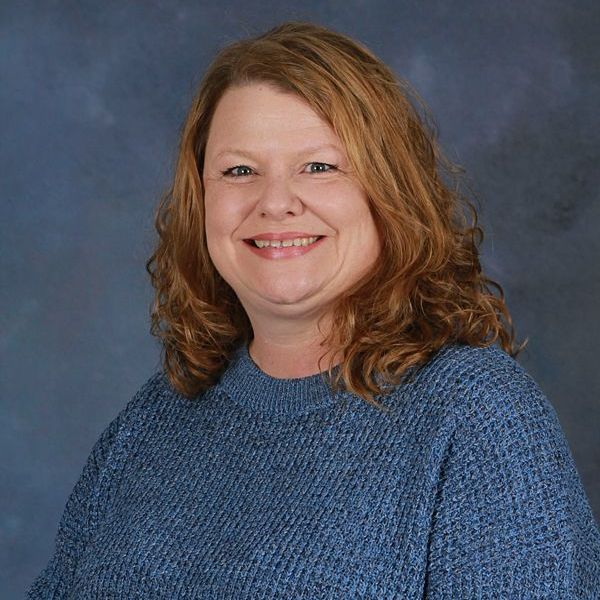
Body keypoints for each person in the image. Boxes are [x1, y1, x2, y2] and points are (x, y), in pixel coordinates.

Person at [28, 21, 600, 599]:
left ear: (389, 193)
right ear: (200, 200)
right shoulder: (149, 425)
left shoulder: (478, 419)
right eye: (239, 171)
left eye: (319, 167)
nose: (275, 203)